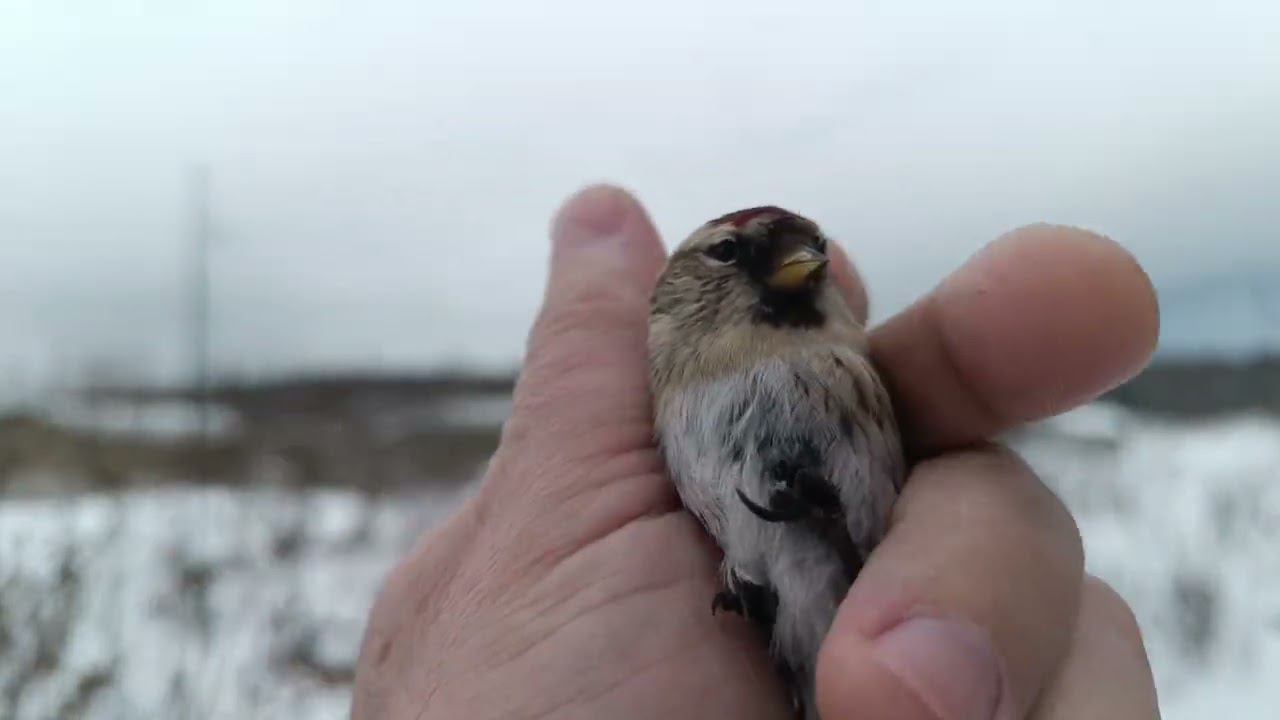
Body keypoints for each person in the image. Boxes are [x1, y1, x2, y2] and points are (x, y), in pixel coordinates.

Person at [352, 186, 1162, 719]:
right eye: (733, 255)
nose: (792, 266)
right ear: (671, 293)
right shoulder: (649, 403)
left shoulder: (861, 372)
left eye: (806, 254)